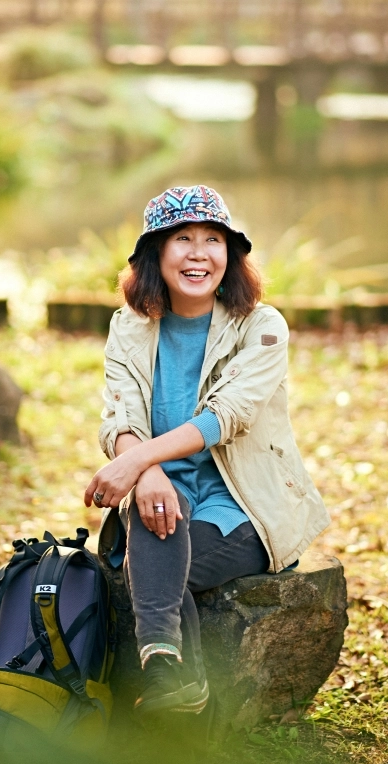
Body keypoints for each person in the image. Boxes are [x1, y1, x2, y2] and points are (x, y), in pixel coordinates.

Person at [83, 185, 329, 720]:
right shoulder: (129, 327)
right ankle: (175, 679)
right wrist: (145, 469)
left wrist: (134, 462)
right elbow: (119, 413)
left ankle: (167, 672)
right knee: (157, 520)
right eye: (183, 239)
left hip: (244, 504)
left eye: (213, 239)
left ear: (231, 254)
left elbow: (227, 415)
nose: (199, 253)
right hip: (164, 493)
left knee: (159, 564)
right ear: (155, 255)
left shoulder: (262, 326)